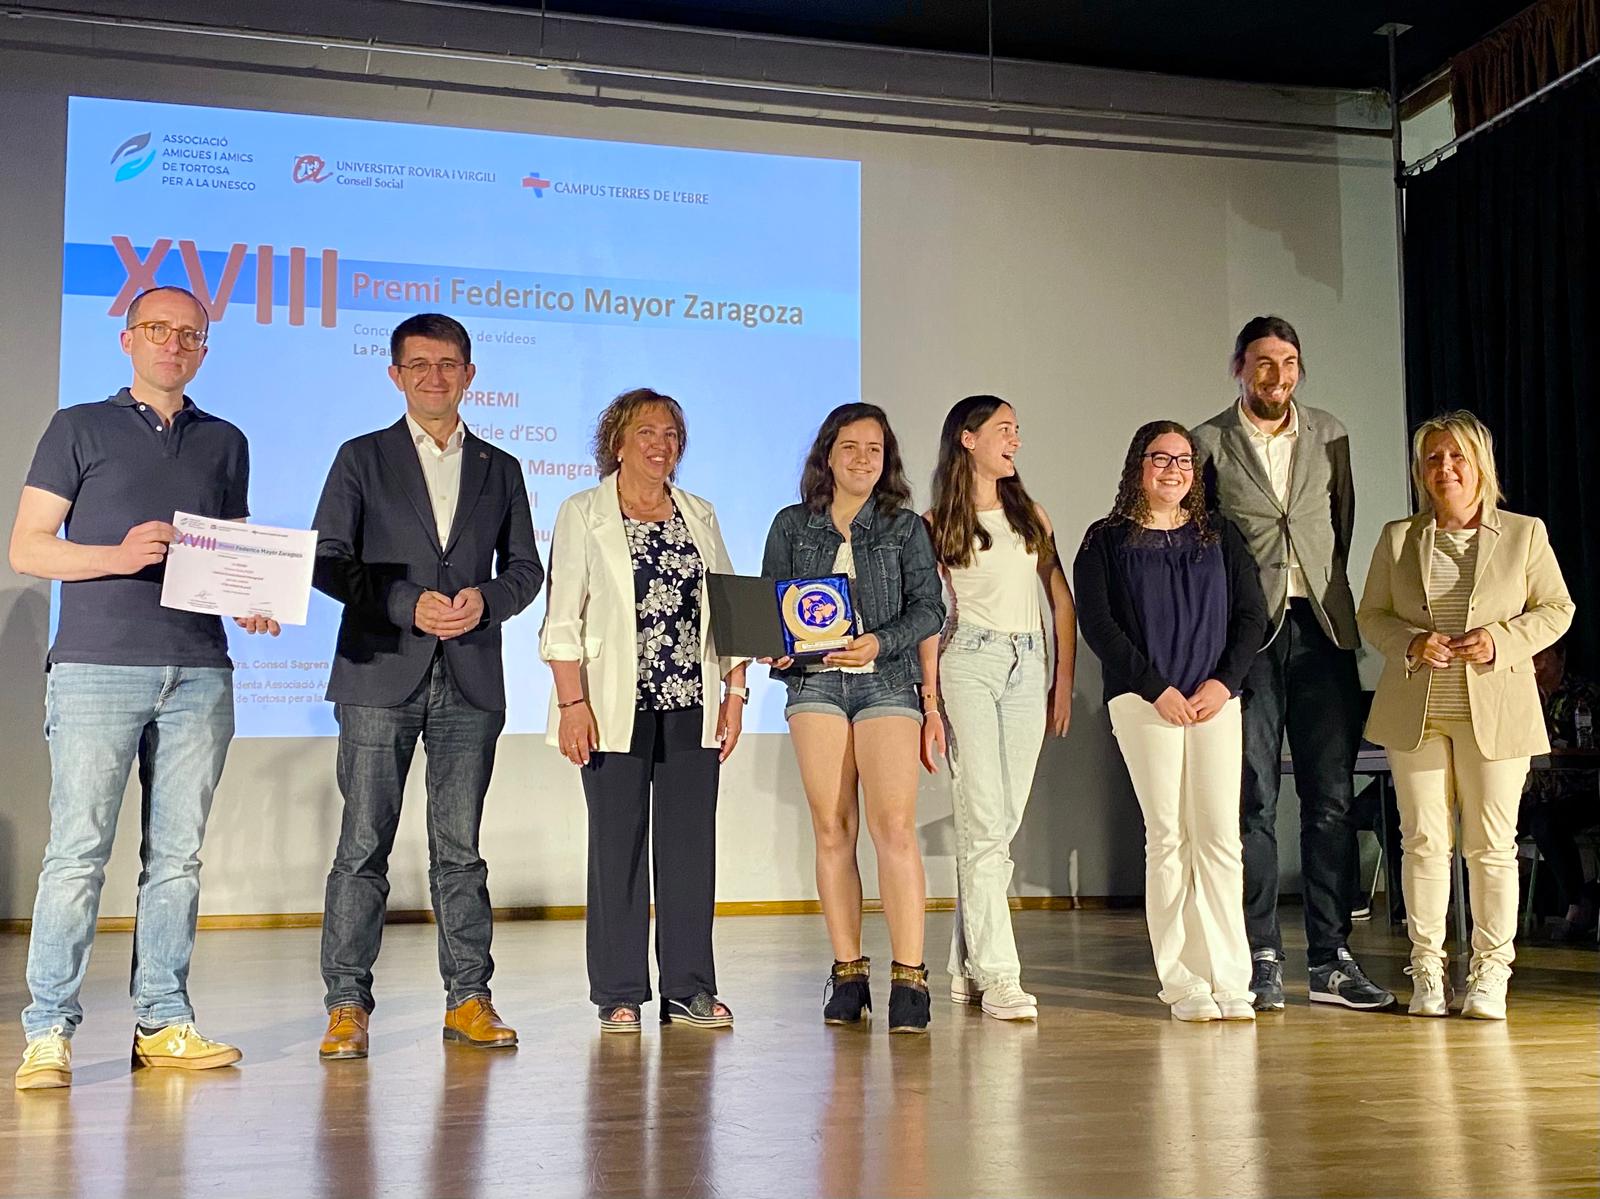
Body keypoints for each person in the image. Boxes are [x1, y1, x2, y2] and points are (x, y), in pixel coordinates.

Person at [12, 286, 280, 1090]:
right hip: (97, 665)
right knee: (77, 853)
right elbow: (29, 547)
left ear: (204, 349)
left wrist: (252, 596)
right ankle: (48, 1030)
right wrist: (119, 555)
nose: (173, 343)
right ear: (128, 339)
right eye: (158, 328)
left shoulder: (226, 441)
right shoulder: (77, 427)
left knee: (177, 859)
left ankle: (163, 1020)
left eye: (189, 334)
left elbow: (229, 552)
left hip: (199, 668)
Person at [311, 313, 543, 1059]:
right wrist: (405, 602)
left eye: (448, 365)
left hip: (469, 679)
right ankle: (347, 1005)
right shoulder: (361, 457)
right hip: (378, 672)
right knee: (362, 847)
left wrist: (488, 599)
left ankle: (469, 998)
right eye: (419, 365)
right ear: (396, 375)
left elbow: (526, 568)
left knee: (460, 851)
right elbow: (328, 559)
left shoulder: (501, 467)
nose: (434, 377)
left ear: (469, 375)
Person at [1191, 315, 1392, 1012]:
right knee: (1253, 796)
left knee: (1330, 795)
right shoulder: (1208, 440)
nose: (1276, 376)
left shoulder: (1330, 433)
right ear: (1239, 368)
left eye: (1287, 363)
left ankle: (1332, 958)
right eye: (1262, 363)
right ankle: (1261, 955)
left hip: (1323, 629)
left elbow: (1340, 521)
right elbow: (1203, 536)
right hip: (1248, 634)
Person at [540, 389, 748, 1033]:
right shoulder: (583, 512)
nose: (661, 445)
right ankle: (620, 990)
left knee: (690, 850)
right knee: (617, 850)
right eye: (646, 432)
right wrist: (572, 703)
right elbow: (562, 620)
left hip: (691, 705)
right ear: (618, 442)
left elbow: (730, 609)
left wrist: (735, 693)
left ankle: (689, 988)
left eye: (671, 434)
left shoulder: (699, 513)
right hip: (609, 706)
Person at [1359, 411, 1574, 1018]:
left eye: (1457, 457)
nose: (1445, 468)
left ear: (1481, 465)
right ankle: (1428, 970)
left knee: (1492, 846)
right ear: (1420, 470)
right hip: (1418, 712)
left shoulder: (1524, 533)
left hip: (1498, 711)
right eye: (1433, 458)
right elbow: (1371, 614)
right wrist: (1410, 641)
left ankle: (1490, 973)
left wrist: (1501, 640)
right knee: (1424, 842)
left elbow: (1557, 608)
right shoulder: (1398, 537)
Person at [1074, 421, 1268, 1021]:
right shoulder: (1105, 540)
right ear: (1138, 465)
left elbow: (1252, 616)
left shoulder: (1221, 535)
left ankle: (1231, 981)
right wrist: (1155, 688)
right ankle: (1184, 983)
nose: (1173, 470)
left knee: (1219, 837)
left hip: (1215, 701)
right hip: (1144, 702)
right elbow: (1099, 626)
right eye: (1161, 458)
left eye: (1184, 460)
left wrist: (1223, 683)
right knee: (1168, 837)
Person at [761, 403, 945, 1033]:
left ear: (886, 459)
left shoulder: (904, 527)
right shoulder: (792, 525)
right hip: (815, 681)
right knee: (832, 827)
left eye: (874, 449)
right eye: (850, 447)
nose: (863, 459)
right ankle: (847, 973)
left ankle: (911, 978)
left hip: (886, 680)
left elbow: (930, 609)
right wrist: (775, 644)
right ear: (828, 455)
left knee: (894, 826)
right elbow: (770, 605)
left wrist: (880, 642)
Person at [918, 396, 1075, 1022]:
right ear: (968, 438)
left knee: (1001, 822)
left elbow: (1060, 600)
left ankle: (966, 961)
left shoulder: (1032, 515)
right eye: (1004, 429)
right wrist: (930, 701)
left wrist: (1062, 679)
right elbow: (928, 617)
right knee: (984, 822)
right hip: (968, 661)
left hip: (1028, 662)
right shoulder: (937, 523)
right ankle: (1001, 976)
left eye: (1017, 430)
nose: (1015, 440)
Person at [1522, 641, 1600, 939]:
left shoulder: (1584, 694)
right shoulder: (1524, 695)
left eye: (1542, 656)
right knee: (1494, 820)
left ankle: (1578, 903)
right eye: (1530, 657)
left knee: (1546, 822)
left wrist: (1563, 751)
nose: (1535, 664)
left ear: (1561, 657)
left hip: (1584, 791)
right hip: (1539, 791)